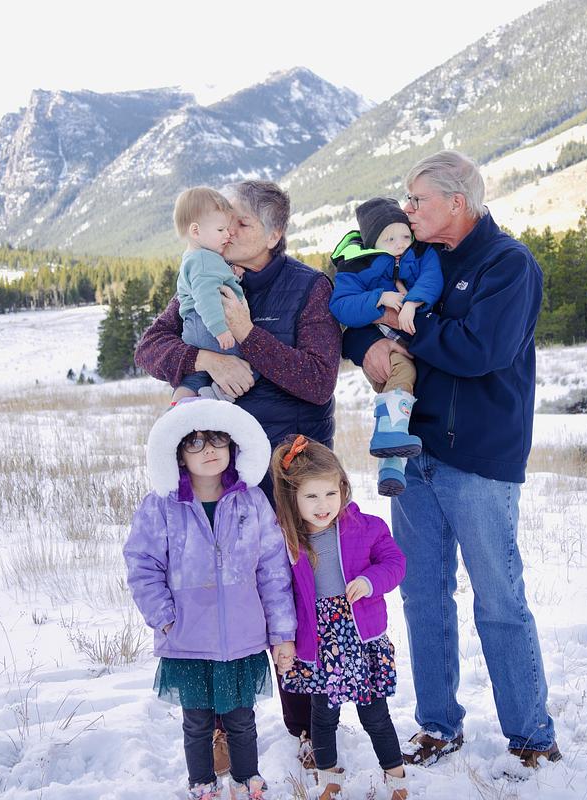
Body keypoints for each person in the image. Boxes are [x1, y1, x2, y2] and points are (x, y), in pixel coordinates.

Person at [342, 150, 561, 770]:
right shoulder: (415, 256)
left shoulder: (507, 264)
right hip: (413, 453)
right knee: (422, 597)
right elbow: (355, 305)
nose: (407, 210)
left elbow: (479, 350)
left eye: (417, 200)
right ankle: (438, 725)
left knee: (499, 600)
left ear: (457, 203)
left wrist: (407, 328)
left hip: (480, 459)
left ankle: (531, 736)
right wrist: (366, 345)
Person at [135, 180, 341, 772]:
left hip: (288, 470)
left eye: (241, 223)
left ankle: (308, 727)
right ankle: (224, 728)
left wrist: (249, 338)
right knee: (226, 591)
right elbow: (150, 347)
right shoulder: (206, 270)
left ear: (274, 233)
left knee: (296, 597)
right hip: (221, 474)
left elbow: (318, 381)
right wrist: (208, 359)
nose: (227, 231)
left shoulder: (309, 289)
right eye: (224, 220)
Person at [123, 397, 297, 799]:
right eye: (195, 442)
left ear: (232, 444)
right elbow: (142, 563)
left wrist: (281, 633)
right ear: (178, 453)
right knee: (198, 722)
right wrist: (164, 617)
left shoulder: (251, 500)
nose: (208, 450)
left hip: (242, 636)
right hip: (188, 638)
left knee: (241, 718)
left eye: (217, 438)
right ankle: (202, 783)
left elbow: (273, 570)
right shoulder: (162, 506)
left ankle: (247, 779)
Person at [270, 435, 410, 800]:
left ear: (343, 488)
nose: (323, 505)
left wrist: (369, 581)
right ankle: (328, 779)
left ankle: (396, 779)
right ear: (293, 497)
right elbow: (279, 593)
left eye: (330, 494)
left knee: (375, 714)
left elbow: (395, 563)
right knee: (323, 716)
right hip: (320, 642)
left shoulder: (367, 527)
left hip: (361, 638)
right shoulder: (288, 541)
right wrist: (283, 639)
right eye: (311, 497)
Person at [329, 197, 443, 497]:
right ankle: (389, 438)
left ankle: (391, 467)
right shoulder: (357, 265)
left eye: (405, 236)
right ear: (372, 242)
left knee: (401, 406)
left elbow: (432, 278)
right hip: (380, 337)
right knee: (402, 375)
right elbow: (341, 306)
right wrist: (379, 298)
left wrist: (413, 302)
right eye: (389, 239)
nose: (400, 244)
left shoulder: (421, 253)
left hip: (412, 339)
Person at [172, 186, 255, 403]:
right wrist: (220, 329)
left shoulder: (198, 257)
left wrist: (232, 276)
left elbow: (213, 282)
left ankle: (181, 402)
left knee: (196, 376)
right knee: (250, 365)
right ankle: (217, 395)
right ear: (196, 231)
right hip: (207, 326)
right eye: (220, 230)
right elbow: (206, 297)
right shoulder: (203, 260)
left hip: (196, 327)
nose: (228, 234)